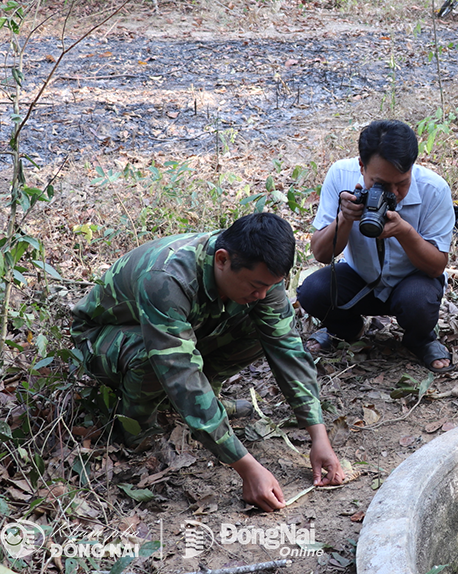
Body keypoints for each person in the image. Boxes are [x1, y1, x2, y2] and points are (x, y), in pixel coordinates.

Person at [71, 212, 346, 512]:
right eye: (256, 286)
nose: (262, 294)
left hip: (177, 328)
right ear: (222, 260)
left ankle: (208, 397)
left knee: (262, 327)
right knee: (152, 357)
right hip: (102, 337)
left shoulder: (260, 271)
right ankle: (136, 423)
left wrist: (318, 435)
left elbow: (287, 348)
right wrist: (247, 467)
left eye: (269, 286)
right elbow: (180, 374)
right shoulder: (168, 279)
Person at [297, 120, 455, 372]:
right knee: (312, 291)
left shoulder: (434, 189)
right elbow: (321, 253)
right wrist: (345, 218)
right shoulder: (340, 176)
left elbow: (437, 267)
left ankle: (420, 340)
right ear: (361, 165)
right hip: (362, 278)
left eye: (402, 183)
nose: (394, 193)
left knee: (419, 301)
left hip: (413, 282)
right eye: (381, 184)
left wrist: (405, 232)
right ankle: (344, 329)